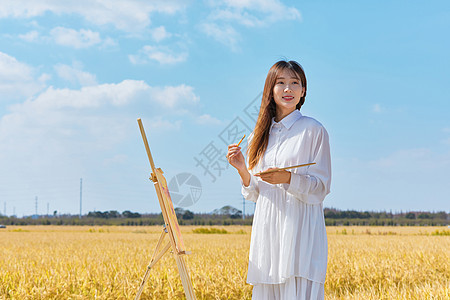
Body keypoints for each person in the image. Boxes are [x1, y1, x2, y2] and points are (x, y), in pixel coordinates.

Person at [226, 60, 331, 300]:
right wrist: (242, 169)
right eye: (281, 83)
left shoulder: (313, 130)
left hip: (300, 230)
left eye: (295, 83)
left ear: (303, 91)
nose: (288, 89)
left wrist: (288, 178)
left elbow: (321, 188)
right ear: (270, 90)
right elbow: (254, 192)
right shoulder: (258, 136)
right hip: (268, 232)